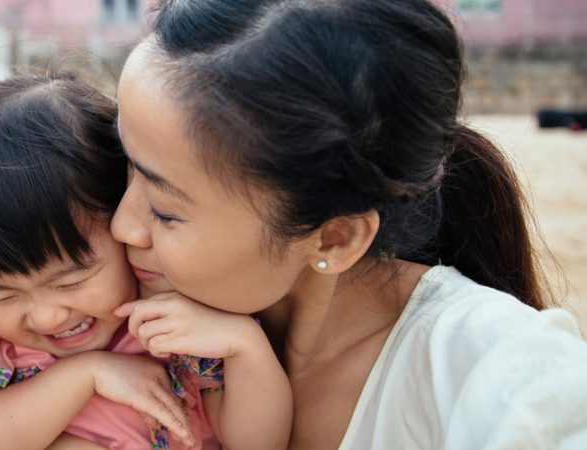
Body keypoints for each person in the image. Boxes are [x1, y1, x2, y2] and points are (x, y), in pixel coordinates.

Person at [109, 0, 587, 448]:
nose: (120, 227)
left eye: (165, 210)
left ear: (336, 238)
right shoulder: (92, 314)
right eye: (125, 166)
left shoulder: (494, 369)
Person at [0, 72, 292, 450]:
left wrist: (246, 347)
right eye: (3, 296)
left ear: (122, 222)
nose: (47, 317)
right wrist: (88, 374)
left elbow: (256, 444)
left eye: (69, 282)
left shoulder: (173, 324)